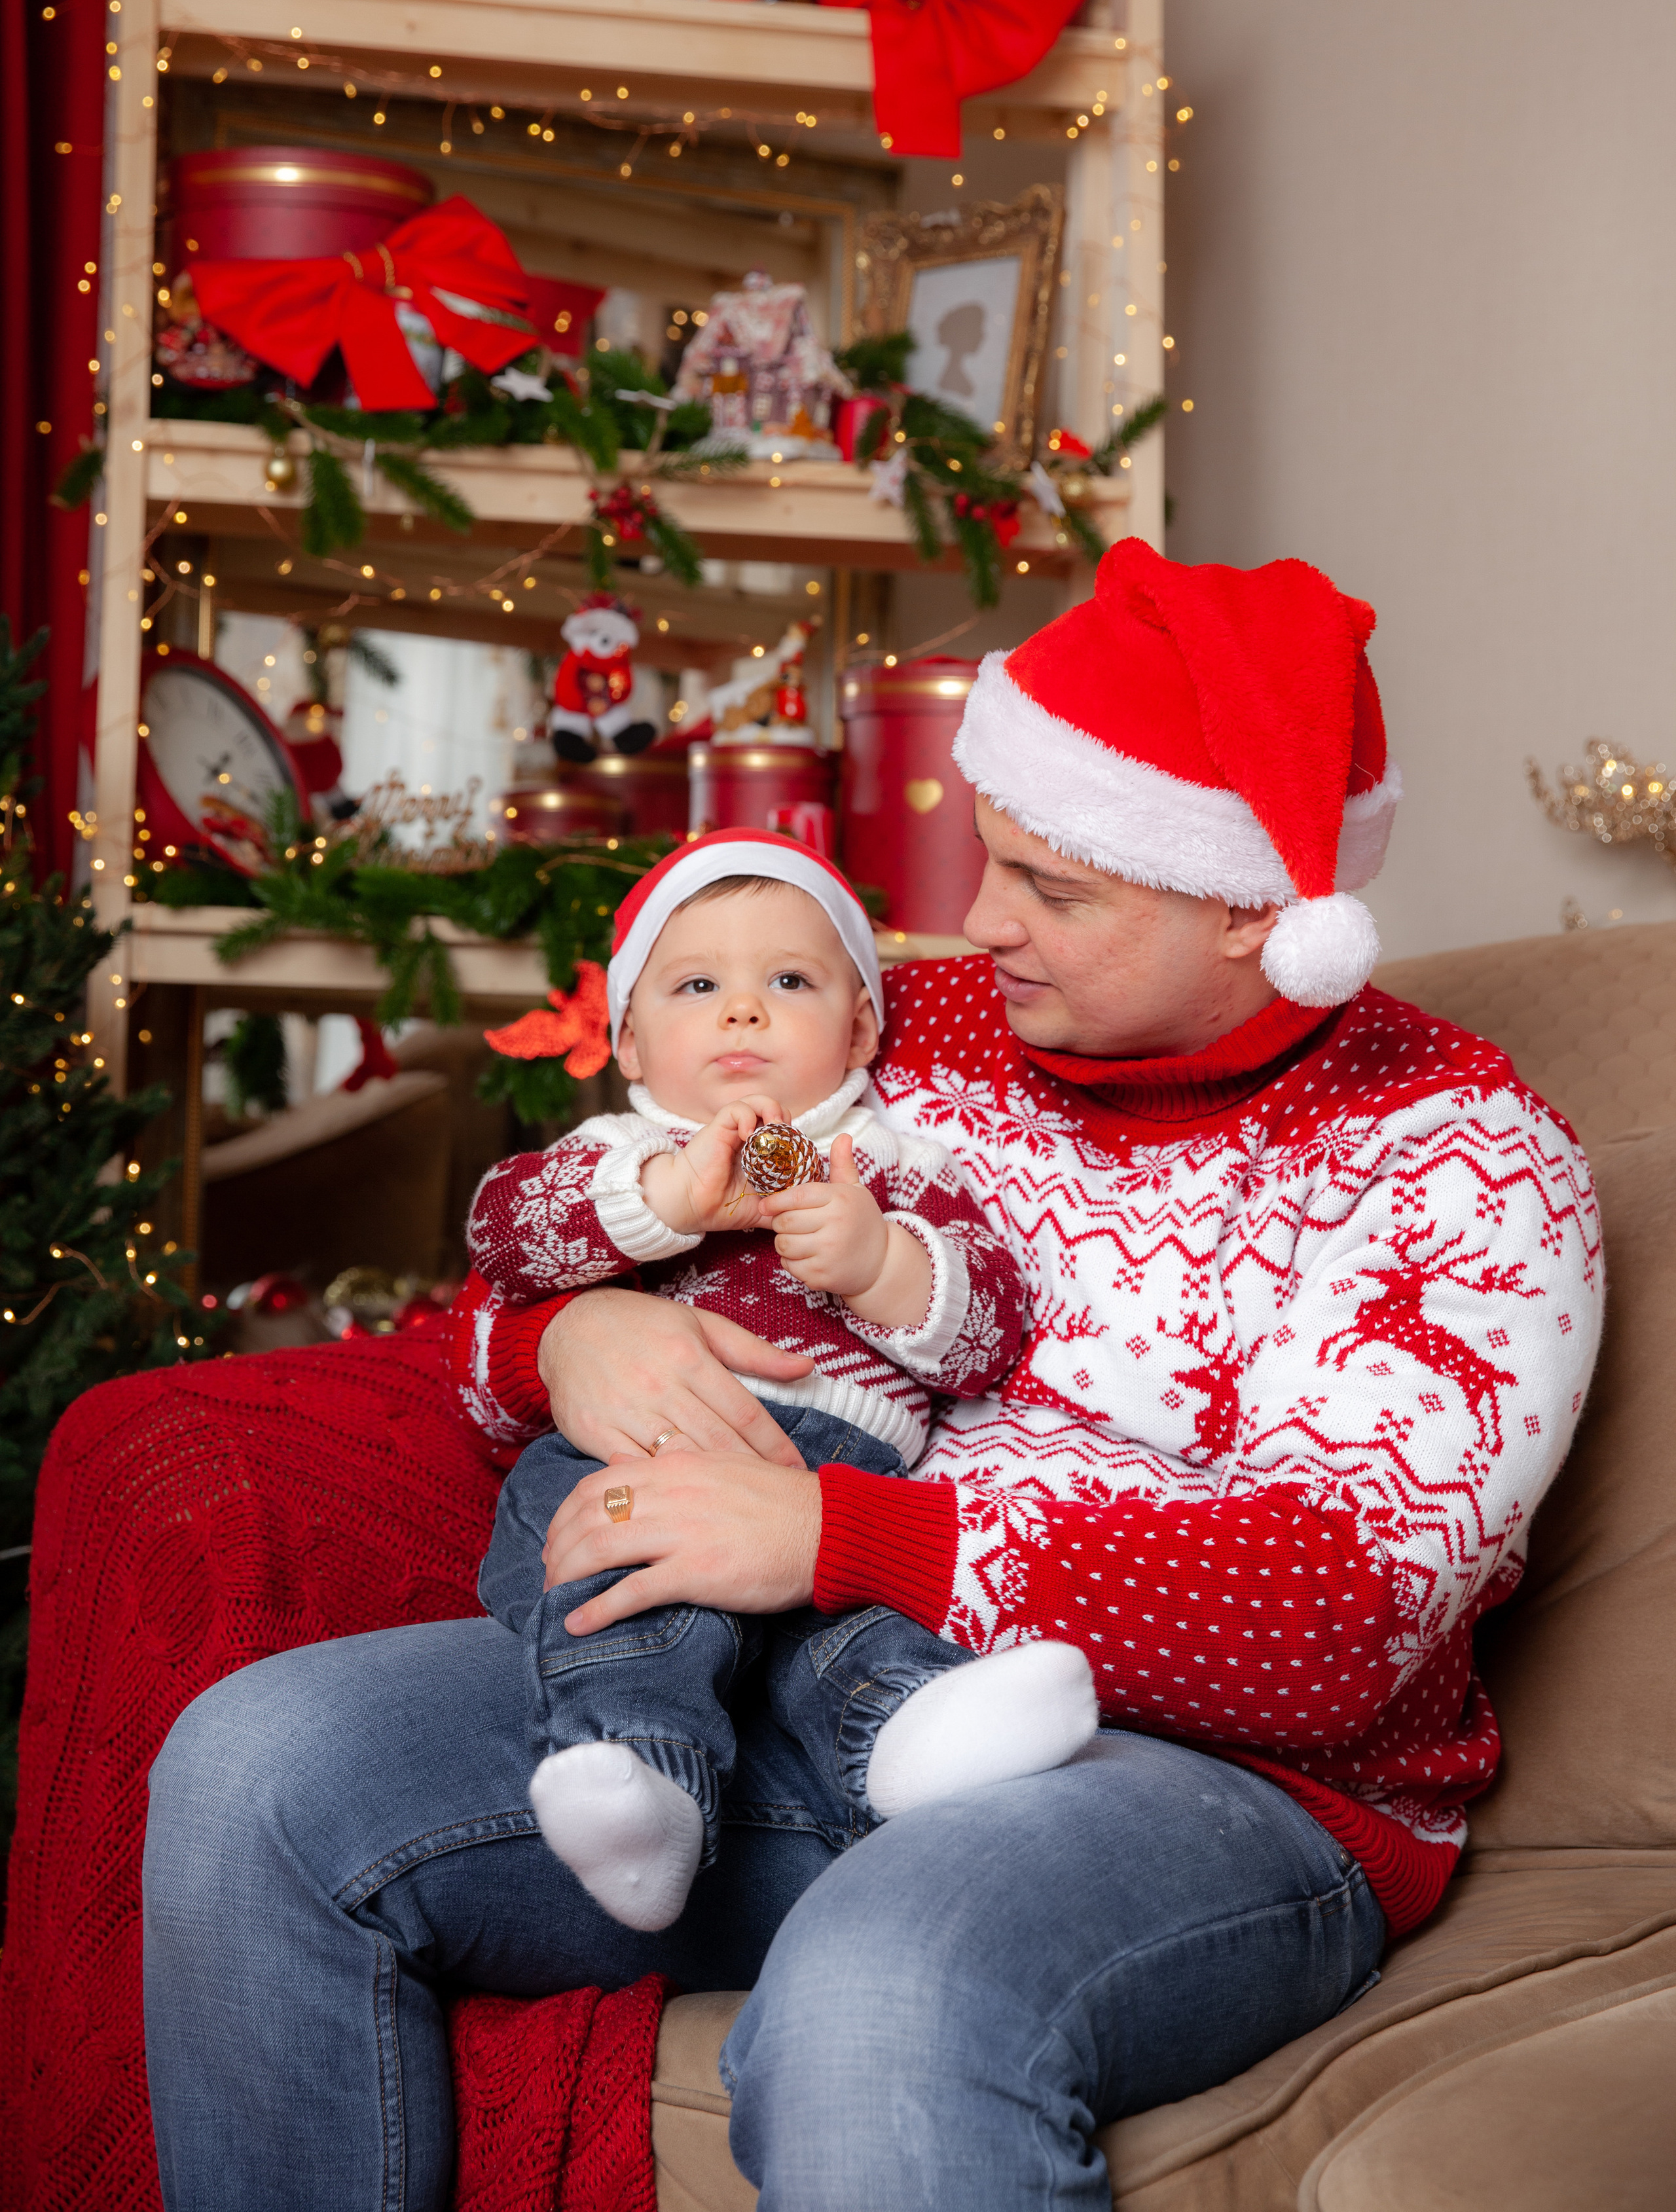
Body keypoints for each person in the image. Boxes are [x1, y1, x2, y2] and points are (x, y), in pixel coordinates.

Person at [143, 542, 1601, 2211]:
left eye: (1052, 888)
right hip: (765, 1691)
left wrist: (837, 1542)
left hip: (1216, 1790)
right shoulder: (927, 1028)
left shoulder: (1467, 1167)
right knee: (254, 1773)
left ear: (1254, 908)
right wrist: (564, 1342)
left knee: (884, 1978)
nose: (976, 925)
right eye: (989, 858)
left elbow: (1335, 1621)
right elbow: (564, 1231)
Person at [470, 830, 1093, 1932]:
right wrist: (660, 1202)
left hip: (830, 1472)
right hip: (630, 1458)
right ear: (628, 1039)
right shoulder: (621, 1151)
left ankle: (910, 1726)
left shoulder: (888, 1164)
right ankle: (638, 1781)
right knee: (613, 1579)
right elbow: (503, 1235)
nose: (743, 1012)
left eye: (789, 982)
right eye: (698, 984)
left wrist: (879, 1263)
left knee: (841, 1621)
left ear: (858, 1027)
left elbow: (989, 1332)